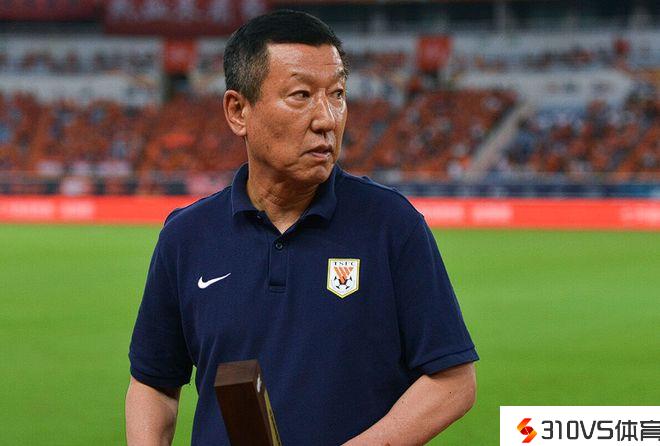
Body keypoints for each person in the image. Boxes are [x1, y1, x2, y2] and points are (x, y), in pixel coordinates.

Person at [125, 10, 478, 446]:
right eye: (301, 95)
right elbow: (154, 384)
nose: (327, 118)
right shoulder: (186, 237)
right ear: (238, 111)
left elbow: (453, 381)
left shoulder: (392, 226)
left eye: (337, 94)